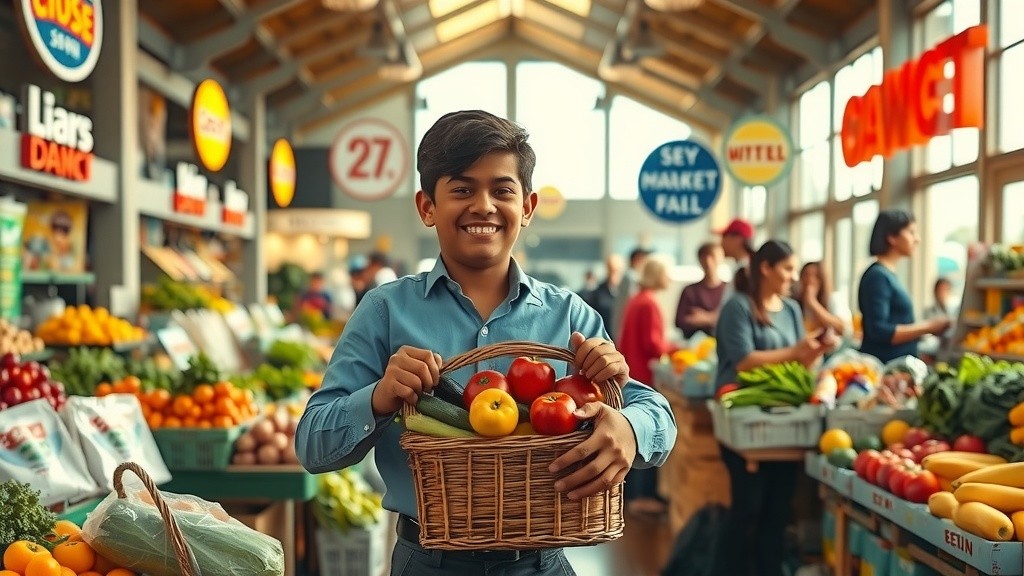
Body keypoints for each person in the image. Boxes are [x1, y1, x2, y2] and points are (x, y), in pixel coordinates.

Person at [295, 110, 677, 576]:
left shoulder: (569, 316)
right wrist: (376, 399)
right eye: (461, 189)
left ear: (528, 207)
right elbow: (312, 445)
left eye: (502, 190)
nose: (484, 206)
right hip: (428, 561)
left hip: (543, 563)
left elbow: (655, 412)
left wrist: (631, 430)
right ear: (426, 206)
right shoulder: (385, 311)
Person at [712, 240, 836, 576]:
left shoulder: (792, 310)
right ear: (765, 268)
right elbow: (745, 362)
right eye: (788, 269)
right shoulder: (738, 307)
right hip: (744, 422)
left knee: (778, 511)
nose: (793, 277)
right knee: (748, 507)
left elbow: (800, 367)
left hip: (784, 424)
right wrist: (796, 351)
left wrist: (816, 352)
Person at [618, 254, 674, 515]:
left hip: (632, 372)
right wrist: (675, 348)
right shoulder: (649, 303)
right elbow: (653, 344)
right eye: (666, 272)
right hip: (643, 376)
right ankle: (642, 498)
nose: (670, 278)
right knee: (645, 437)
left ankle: (633, 496)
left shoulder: (636, 300)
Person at [858, 209, 950, 364]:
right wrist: (928, 327)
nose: (917, 239)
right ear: (892, 237)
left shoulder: (887, 274)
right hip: (884, 368)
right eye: (911, 232)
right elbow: (880, 331)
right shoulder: (878, 277)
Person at [675, 242, 726, 339]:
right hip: (695, 348)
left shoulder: (729, 290)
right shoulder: (689, 291)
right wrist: (715, 317)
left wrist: (705, 318)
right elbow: (680, 321)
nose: (708, 262)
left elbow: (733, 320)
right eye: (704, 258)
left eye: (712, 257)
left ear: (721, 258)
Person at [611, 248, 651, 343]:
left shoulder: (629, 276)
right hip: (624, 325)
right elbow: (631, 302)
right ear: (638, 259)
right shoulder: (631, 277)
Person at [795, 261, 846, 335]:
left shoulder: (834, 298)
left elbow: (843, 328)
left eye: (815, 276)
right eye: (806, 275)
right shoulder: (795, 304)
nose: (810, 280)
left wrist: (812, 302)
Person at [587, 254, 624, 331]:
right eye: (611, 269)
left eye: (617, 270)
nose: (614, 274)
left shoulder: (629, 294)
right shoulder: (597, 294)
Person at [717, 218, 756, 292]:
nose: (720, 243)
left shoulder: (747, 272)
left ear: (738, 239)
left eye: (724, 237)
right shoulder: (742, 267)